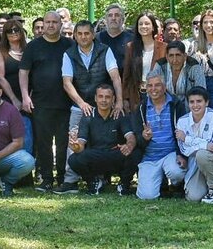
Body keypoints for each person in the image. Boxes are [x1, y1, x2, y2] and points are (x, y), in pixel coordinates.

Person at [55, 20, 123, 194]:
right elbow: (67, 82)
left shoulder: (105, 50)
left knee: (103, 144)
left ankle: (100, 178)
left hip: (104, 106)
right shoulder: (69, 54)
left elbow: (115, 77)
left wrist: (119, 102)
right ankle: (70, 181)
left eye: (87, 33)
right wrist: (81, 103)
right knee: (74, 141)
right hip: (80, 106)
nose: (83, 37)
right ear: (75, 36)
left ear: (93, 35)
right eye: (80, 34)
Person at [19, 11, 73, 192]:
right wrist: (25, 96)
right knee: (44, 143)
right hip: (40, 103)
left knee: (63, 143)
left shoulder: (70, 45)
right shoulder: (33, 46)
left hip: (65, 103)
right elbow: (24, 72)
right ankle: (47, 179)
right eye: (47, 22)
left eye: (54, 22)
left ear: (60, 24)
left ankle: (63, 178)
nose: (51, 25)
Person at [67, 84, 139, 195]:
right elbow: (81, 144)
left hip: (115, 154)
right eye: (100, 96)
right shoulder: (88, 116)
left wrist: (129, 146)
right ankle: (93, 182)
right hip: (95, 155)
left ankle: (124, 184)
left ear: (113, 99)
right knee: (74, 159)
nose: (104, 100)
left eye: (107, 97)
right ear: (95, 98)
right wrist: (76, 146)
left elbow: (130, 136)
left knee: (136, 153)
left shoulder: (119, 114)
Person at [134, 74, 188, 199]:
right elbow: (137, 138)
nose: (153, 89)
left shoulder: (176, 105)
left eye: (157, 85)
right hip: (150, 157)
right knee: (146, 196)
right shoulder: (141, 108)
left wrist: (181, 154)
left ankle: (176, 185)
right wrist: (144, 137)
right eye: (150, 85)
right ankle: (161, 183)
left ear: (164, 87)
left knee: (176, 172)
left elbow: (185, 132)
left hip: (171, 154)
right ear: (146, 88)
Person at [176, 87, 213, 203]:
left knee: (202, 154)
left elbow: (212, 146)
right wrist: (204, 145)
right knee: (194, 197)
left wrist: (186, 138)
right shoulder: (182, 121)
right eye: (192, 102)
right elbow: (184, 149)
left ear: (206, 102)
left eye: (199, 101)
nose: (195, 105)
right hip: (195, 161)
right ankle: (206, 185)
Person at [0, 19, 33, 154]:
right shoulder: (1, 52)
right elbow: (1, 77)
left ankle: (28, 163)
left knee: (29, 133)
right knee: (12, 134)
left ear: (21, 31)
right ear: (5, 34)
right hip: (9, 98)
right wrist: (14, 99)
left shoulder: (30, 50)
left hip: (31, 98)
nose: (13, 33)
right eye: (9, 31)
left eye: (16, 30)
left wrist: (28, 96)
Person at [122, 12, 168, 112]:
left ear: (153, 27)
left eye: (147, 23)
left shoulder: (164, 47)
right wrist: (125, 98)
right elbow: (127, 74)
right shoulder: (131, 47)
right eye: (140, 24)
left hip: (158, 94)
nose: (143, 26)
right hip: (137, 95)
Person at [150, 40, 206, 109]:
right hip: (165, 107)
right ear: (167, 57)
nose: (174, 60)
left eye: (178, 55)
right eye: (171, 55)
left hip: (189, 108)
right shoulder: (160, 65)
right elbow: (152, 88)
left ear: (185, 56)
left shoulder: (194, 66)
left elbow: (201, 92)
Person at [97, 4, 133, 69]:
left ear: (123, 19)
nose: (113, 18)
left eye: (117, 15)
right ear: (106, 19)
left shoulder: (131, 39)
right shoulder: (97, 39)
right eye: (110, 15)